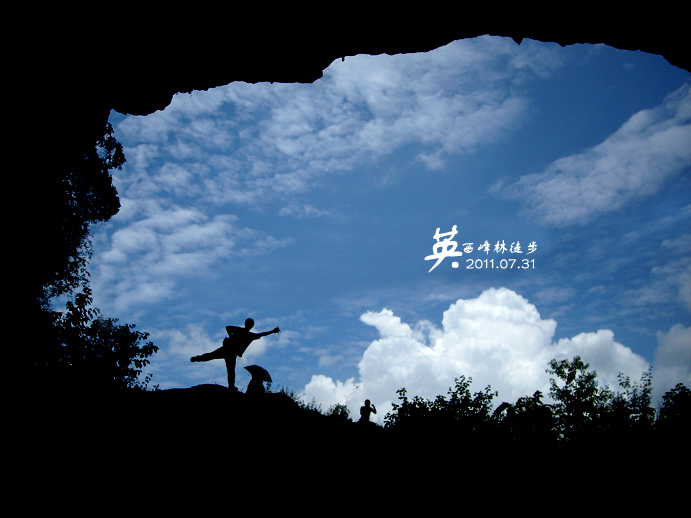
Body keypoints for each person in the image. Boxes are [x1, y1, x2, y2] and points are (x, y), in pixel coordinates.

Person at [190, 318, 280, 390]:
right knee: (215, 359)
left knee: (229, 369)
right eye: (249, 324)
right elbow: (228, 328)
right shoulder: (243, 332)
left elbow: (261, 334)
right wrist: (231, 335)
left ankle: (231, 386)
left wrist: (272, 331)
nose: (249, 326)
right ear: (248, 325)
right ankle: (197, 358)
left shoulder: (248, 334)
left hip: (230, 352)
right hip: (228, 350)